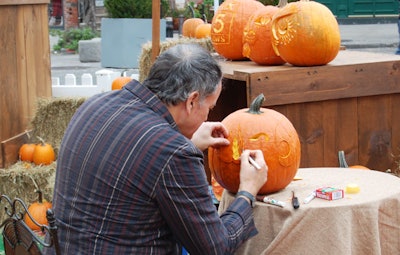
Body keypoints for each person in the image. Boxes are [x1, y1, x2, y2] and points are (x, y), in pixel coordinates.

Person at [44, 43, 268, 254]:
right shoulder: (173, 153)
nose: (208, 115)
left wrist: (188, 143)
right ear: (191, 101)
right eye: (209, 107)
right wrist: (247, 190)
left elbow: (135, 162)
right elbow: (214, 247)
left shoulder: (95, 104)